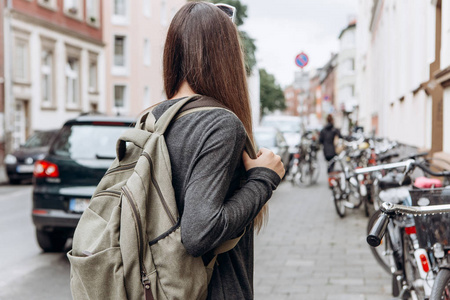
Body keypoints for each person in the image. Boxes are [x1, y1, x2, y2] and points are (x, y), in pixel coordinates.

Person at [150, 2, 285, 299]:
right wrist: (263, 178)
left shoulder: (154, 118)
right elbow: (199, 233)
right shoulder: (219, 123)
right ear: (226, 55)